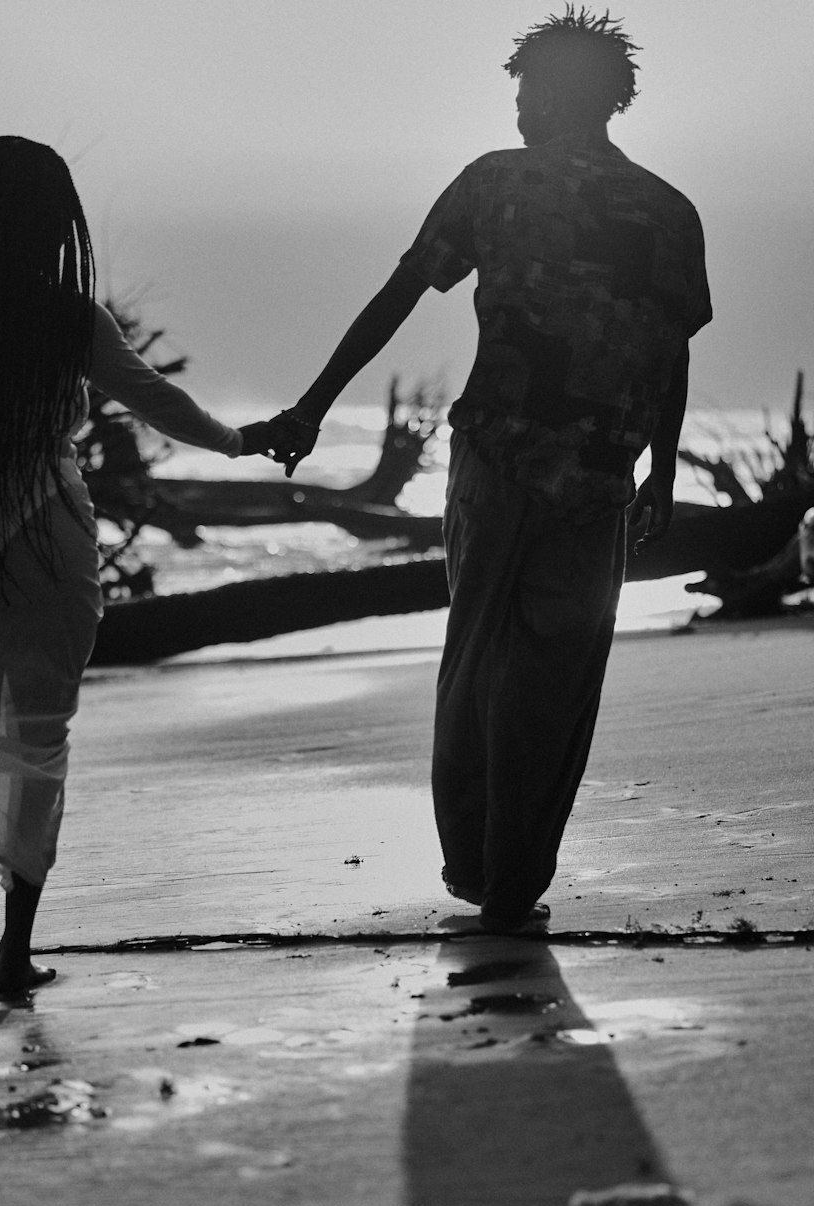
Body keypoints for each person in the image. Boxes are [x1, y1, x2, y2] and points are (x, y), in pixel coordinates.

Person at [270, 8, 712, 934]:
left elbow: (398, 293)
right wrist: (661, 470)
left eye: (523, 93)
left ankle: (477, 864)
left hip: (496, 459)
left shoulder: (495, 183)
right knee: (556, 674)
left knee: (476, 661)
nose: (516, 113)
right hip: (599, 469)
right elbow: (670, 354)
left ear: (551, 92)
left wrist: (313, 406)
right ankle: (512, 879)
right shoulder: (670, 211)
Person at [0, 136, 288, 1023]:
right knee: (41, 742)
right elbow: (159, 403)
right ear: (48, 219)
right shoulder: (71, 318)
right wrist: (244, 441)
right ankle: (15, 958)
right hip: (53, 546)